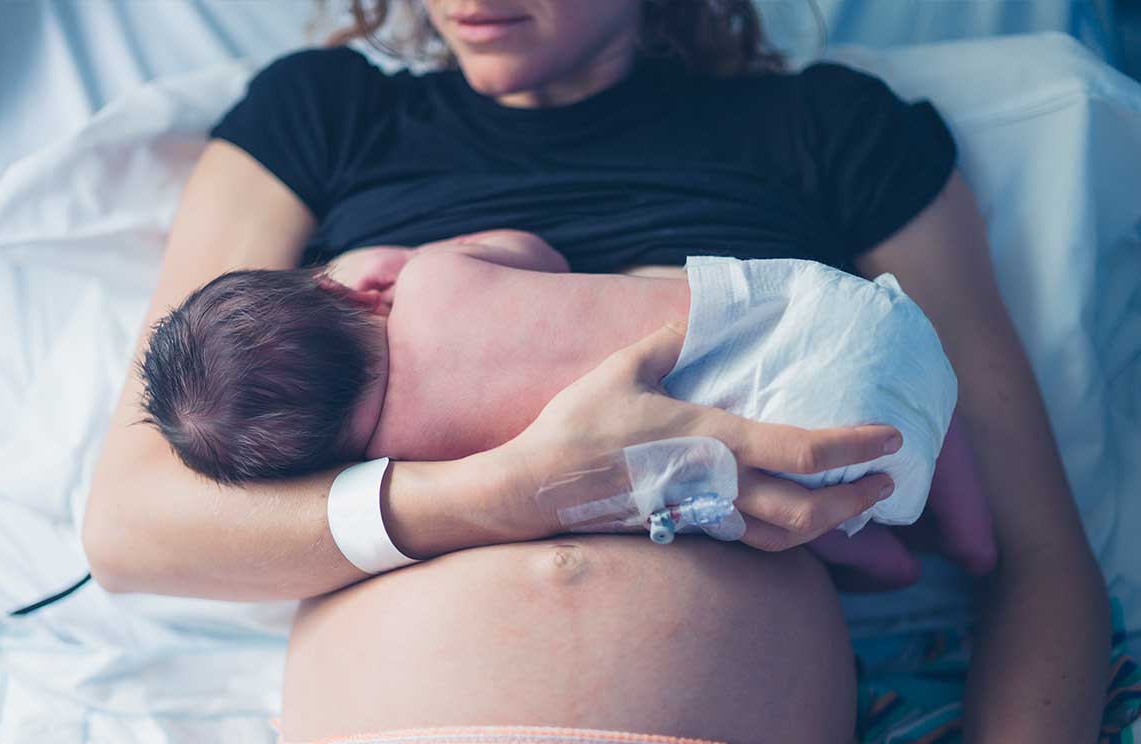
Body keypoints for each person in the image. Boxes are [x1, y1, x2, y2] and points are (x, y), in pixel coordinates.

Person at [83, 1, 1111, 742]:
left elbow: (1037, 555)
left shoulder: (835, 133)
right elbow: (135, 525)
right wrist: (506, 491)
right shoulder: (325, 118)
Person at [139, 228, 994, 589]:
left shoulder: (411, 465)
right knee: (903, 367)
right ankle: (974, 527)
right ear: (362, 288)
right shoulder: (428, 278)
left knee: (820, 519)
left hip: (746, 452)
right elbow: (535, 254)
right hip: (816, 315)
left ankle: (903, 563)